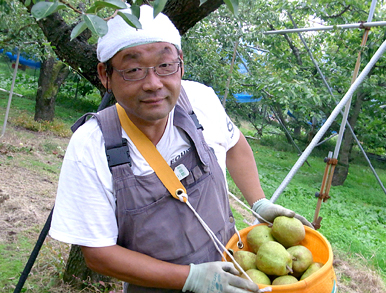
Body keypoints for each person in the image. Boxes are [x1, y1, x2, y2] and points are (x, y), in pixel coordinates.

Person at [49, 5, 313, 293]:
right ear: (105, 75)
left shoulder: (200, 100)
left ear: (181, 64)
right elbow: (98, 253)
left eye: (165, 65)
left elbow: (236, 145)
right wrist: (192, 279)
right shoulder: (91, 146)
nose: (153, 83)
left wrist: (259, 203)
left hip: (236, 274)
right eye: (133, 69)